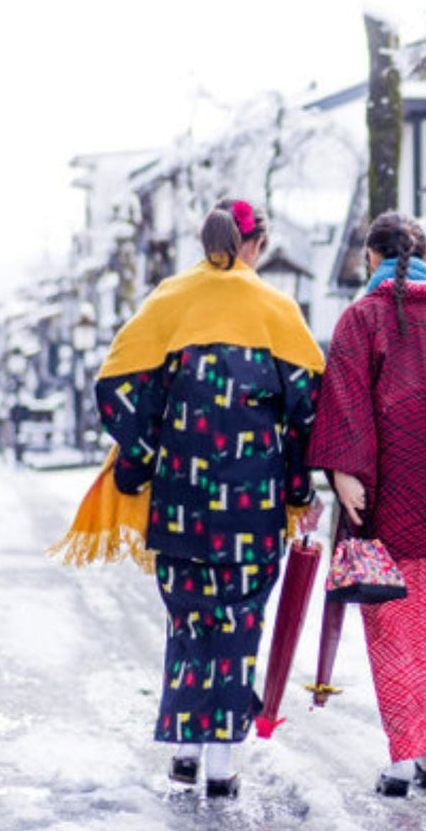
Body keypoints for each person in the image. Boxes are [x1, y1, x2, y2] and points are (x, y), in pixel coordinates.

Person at [53, 199, 324, 797]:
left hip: (180, 502)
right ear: (255, 246)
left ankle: (183, 752)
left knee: (189, 626)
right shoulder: (277, 310)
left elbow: (120, 386)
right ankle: (224, 764)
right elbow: (311, 412)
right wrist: (299, 488)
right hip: (252, 506)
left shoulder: (168, 303)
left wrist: (138, 458)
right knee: (239, 627)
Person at [307, 210, 426, 797]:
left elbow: (345, 405)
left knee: (390, 624)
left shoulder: (359, 321)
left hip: (380, 497)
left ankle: (400, 761)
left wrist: (347, 473)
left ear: (371, 259)